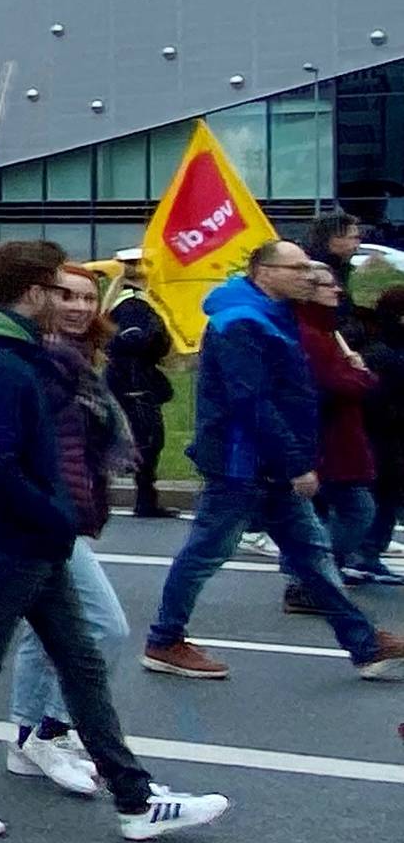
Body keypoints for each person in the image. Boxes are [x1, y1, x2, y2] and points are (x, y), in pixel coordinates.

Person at [0, 241, 231, 841]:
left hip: (33, 541)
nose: (67, 299)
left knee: (81, 663)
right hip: (12, 543)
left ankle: (133, 798)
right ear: (32, 294)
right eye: (57, 288)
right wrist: (53, 516)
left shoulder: (12, 356)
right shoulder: (0, 366)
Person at [140, 240, 404, 681]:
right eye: (297, 268)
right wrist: (296, 462)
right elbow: (252, 400)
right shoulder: (240, 323)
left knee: (313, 555)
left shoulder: (272, 317)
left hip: (266, 464)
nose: (308, 275)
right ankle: (165, 640)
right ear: (264, 272)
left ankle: (364, 644)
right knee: (208, 551)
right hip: (241, 463)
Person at [0, 264, 139, 799]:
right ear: (40, 298)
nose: (79, 307)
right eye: (66, 296)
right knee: (105, 628)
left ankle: (26, 739)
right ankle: (50, 732)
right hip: (42, 517)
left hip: (64, 513)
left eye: (87, 298)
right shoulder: (35, 359)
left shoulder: (79, 360)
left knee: (41, 632)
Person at [292, 264, 385, 591]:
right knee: (357, 509)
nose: (337, 291)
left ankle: (312, 576)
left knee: (318, 514)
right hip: (327, 440)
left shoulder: (325, 331)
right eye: (327, 286)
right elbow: (337, 383)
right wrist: (362, 375)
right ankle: (311, 578)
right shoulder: (310, 334)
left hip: (338, 438)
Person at [103, 251, 177, 518]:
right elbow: (132, 341)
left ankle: (144, 498)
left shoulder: (129, 301)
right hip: (134, 381)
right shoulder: (134, 304)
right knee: (147, 440)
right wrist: (157, 341)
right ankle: (144, 499)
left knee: (141, 440)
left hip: (132, 378)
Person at [357, 287, 404, 584]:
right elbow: (375, 398)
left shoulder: (383, 350)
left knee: (386, 496)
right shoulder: (382, 354)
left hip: (389, 436)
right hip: (382, 436)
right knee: (379, 496)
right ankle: (364, 553)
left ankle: (368, 552)